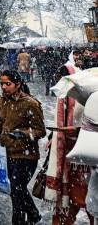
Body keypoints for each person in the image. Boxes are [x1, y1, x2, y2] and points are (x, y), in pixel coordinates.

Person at [45, 52, 94, 225]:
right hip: (68, 158)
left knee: (91, 204)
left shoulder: (89, 96)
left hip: (88, 161)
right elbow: (59, 123)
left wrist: (76, 131)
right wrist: (55, 137)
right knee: (67, 206)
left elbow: (91, 126)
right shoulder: (64, 97)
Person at [0, 70, 46, 225]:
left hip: (26, 155)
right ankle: (32, 215)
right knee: (17, 190)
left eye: (7, 84)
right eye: (2, 83)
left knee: (17, 189)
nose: (4, 87)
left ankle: (19, 221)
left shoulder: (30, 103)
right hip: (9, 152)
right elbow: (3, 122)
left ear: (18, 85)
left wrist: (23, 134)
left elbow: (40, 131)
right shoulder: (0, 101)